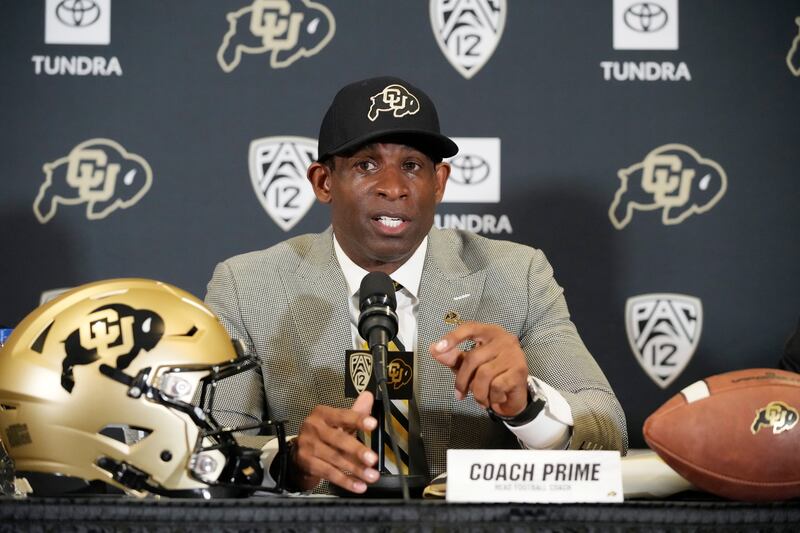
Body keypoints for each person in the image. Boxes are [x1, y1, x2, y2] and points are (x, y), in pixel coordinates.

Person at [205, 76, 627, 495]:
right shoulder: (248, 286)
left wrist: (526, 406)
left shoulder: (518, 276)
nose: (393, 187)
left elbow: (606, 426)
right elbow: (207, 446)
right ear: (323, 181)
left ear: (439, 182)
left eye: (412, 166)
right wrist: (288, 460)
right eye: (365, 165)